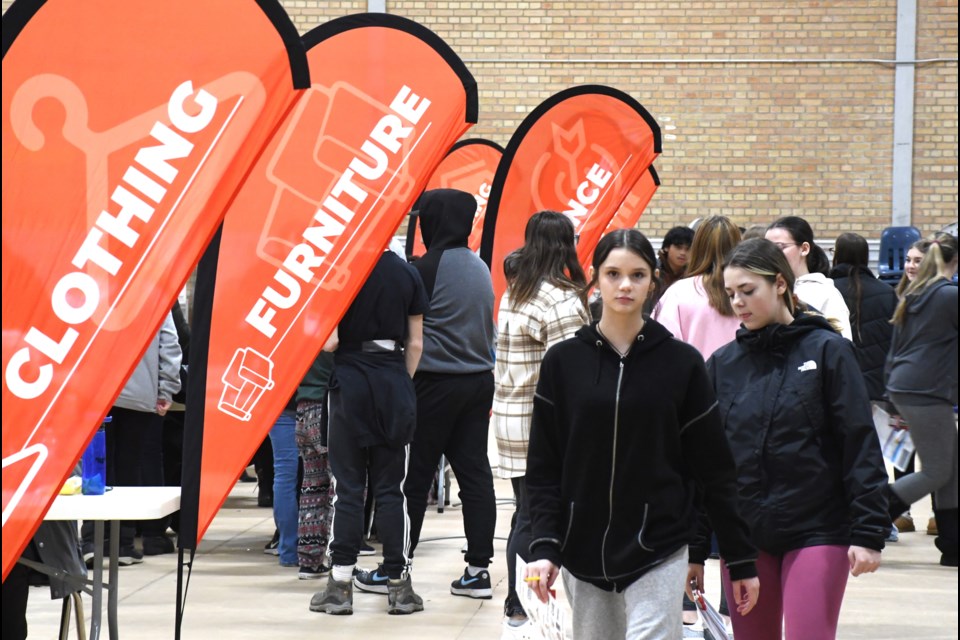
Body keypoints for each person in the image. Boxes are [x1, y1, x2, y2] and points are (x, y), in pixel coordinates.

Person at [523, 229, 758, 639]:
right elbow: (544, 466)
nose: (625, 285)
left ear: (653, 280)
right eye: (613, 273)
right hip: (582, 549)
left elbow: (715, 471)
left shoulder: (681, 364)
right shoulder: (563, 362)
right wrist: (544, 544)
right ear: (596, 279)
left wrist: (738, 560)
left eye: (637, 274)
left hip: (660, 545)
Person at [707, 238, 888, 639]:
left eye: (748, 291)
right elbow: (706, 464)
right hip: (746, 538)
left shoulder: (829, 351)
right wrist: (694, 545)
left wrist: (869, 530)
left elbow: (858, 441)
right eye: (732, 293)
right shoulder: (721, 365)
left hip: (818, 528)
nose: (738, 302)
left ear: (780, 285)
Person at [380, 189, 497, 599]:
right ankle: (478, 571)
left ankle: (397, 567)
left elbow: (404, 328)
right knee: (475, 476)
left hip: (433, 385)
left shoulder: (425, 267)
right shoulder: (480, 267)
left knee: (412, 478)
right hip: (479, 383)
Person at [309, 248, 428, 615]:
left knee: (347, 490)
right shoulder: (407, 273)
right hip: (392, 381)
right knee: (392, 490)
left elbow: (328, 341)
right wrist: (399, 383)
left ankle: (340, 585)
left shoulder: (338, 269)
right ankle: (399, 587)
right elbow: (417, 343)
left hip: (348, 386)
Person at [492, 211, 591, 635]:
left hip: (510, 417)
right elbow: (572, 371)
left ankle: (518, 602)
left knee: (525, 515)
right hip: (542, 424)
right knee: (537, 518)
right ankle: (522, 605)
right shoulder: (560, 298)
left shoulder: (515, 290)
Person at [81, 310, 181, 566]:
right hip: (139, 394)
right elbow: (169, 342)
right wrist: (166, 390)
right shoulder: (155, 292)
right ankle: (122, 543)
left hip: (93, 392)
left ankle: (91, 539)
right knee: (129, 470)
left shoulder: (91, 285)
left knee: (94, 471)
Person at [885, 233, 958, 567]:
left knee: (951, 470)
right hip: (926, 389)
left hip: (907, 385)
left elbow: (894, 349)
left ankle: (953, 545)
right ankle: (866, 517)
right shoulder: (948, 295)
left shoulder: (912, 293)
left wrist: (891, 397)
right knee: (936, 471)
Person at [655, 215, 742, 359]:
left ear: (697, 247)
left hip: (692, 379)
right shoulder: (750, 292)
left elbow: (663, 351)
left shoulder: (678, 293)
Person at [829, 232, 898, 402]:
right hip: (878, 388)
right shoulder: (887, 292)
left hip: (839, 387)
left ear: (837, 256)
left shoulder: (827, 291)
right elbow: (897, 340)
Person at [766, 216, 853, 339]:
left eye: (780, 247)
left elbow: (842, 347)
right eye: (767, 249)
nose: (772, 255)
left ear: (804, 249)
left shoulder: (826, 294)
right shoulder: (767, 290)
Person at [294, 351, 336, 579]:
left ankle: (309, 561)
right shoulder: (335, 322)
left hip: (303, 407)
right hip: (329, 407)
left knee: (313, 486)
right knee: (344, 486)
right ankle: (340, 558)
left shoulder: (302, 319)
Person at [652, 225, 694, 305]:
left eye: (688, 249)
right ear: (666, 247)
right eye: (678, 247)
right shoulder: (653, 270)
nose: (683, 253)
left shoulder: (693, 275)